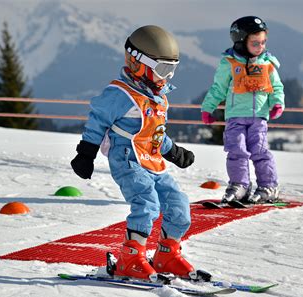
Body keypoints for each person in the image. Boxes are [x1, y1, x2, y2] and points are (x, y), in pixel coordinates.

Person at [71, 25, 197, 282]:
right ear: (138, 63)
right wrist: (86, 153)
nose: (168, 77)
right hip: (127, 160)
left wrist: (173, 151)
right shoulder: (120, 95)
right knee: (146, 202)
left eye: (172, 69)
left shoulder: (157, 97)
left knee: (179, 204)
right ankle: (129, 258)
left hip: (152, 160)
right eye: (163, 69)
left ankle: (166, 254)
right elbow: (97, 121)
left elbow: (154, 134)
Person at [201, 16, 285, 204]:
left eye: (263, 42)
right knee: (236, 151)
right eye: (255, 43)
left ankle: (268, 186)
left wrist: (278, 103)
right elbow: (218, 88)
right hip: (235, 117)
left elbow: (277, 87)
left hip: (259, 117)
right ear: (240, 41)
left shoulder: (267, 63)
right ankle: (239, 186)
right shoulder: (229, 63)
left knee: (260, 151)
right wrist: (208, 107)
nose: (260, 47)